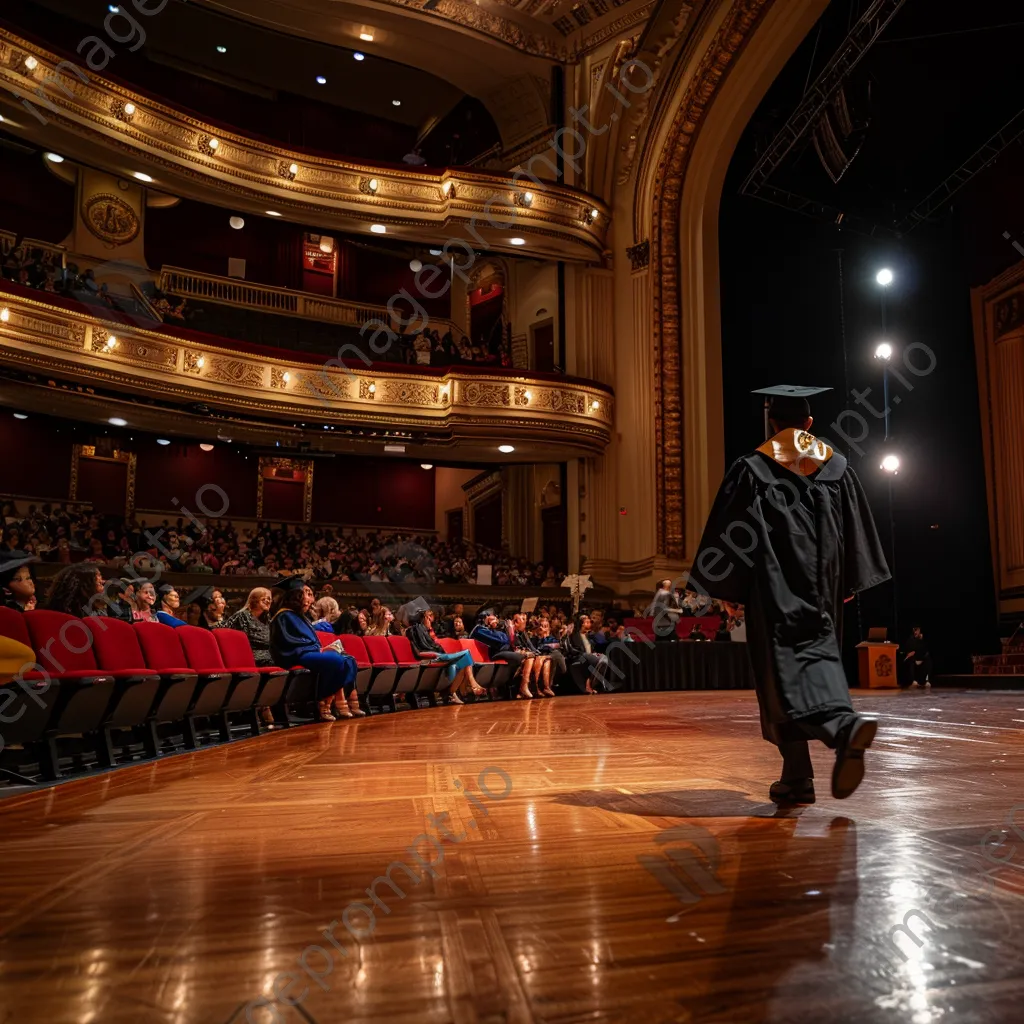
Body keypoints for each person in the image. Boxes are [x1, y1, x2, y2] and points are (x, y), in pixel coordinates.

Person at [686, 385, 891, 805]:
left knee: (780, 672)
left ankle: (838, 732)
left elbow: (733, 531)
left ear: (772, 425)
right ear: (809, 425)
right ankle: (797, 776)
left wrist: (731, 589)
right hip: (825, 584)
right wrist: (847, 581)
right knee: (818, 660)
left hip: (773, 585)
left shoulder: (753, 469)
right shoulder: (838, 470)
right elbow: (853, 528)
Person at [269, 578, 362, 721]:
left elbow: (310, 640)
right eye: (304, 596)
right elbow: (290, 642)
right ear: (295, 597)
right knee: (335, 660)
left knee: (349, 660)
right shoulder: (283, 616)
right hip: (293, 655)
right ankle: (321, 701)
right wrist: (318, 650)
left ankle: (330, 704)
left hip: (308, 652)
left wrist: (322, 649)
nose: (309, 601)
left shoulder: (299, 616)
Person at [406, 609, 486, 703]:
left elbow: (432, 644)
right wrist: (436, 653)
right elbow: (422, 649)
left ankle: (452, 694)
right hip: (431, 657)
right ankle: (472, 684)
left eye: (430, 617)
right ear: (423, 618)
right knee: (467, 653)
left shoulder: (424, 630)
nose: (431, 619)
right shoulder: (415, 629)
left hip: (438, 655)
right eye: (428, 617)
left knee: (464, 664)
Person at [470, 609, 534, 700]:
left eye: (496, 618)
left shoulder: (495, 629)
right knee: (525, 657)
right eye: (493, 618)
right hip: (496, 654)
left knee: (530, 657)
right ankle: (522, 687)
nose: (496, 620)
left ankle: (523, 687)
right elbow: (503, 640)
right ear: (486, 618)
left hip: (504, 652)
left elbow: (506, 640)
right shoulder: (479, 630)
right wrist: (501, 629)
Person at [214, 587, 275, 666]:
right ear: (253, 600)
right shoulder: (243, 615)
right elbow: (245, 641)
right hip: (253, 657)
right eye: (264, 599)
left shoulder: (266, 618)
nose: (268, 601)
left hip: (268, 656)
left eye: (269, 599)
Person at [511, 612, 553, 698]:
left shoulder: (523, 633)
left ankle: (545, 687)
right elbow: (515, 648)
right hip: (519, 656)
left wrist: (545, 638)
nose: (525, 622)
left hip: (533, 654)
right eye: (523, 619)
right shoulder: (512, 632)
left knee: (546, 659)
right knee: (538, 658)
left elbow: (552, 647)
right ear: (516, 622)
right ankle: (534, 688)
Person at [566, 613, 603, 694]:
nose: (590, 623)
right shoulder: (575, 635)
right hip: (579, 656)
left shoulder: (590, 636)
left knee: (601, 659)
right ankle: (588, 685)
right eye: (587, 622)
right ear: (582, 624)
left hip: (589, 657)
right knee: (588, 659)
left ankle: (591, 684)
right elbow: (573, 650)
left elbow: (597, 645)